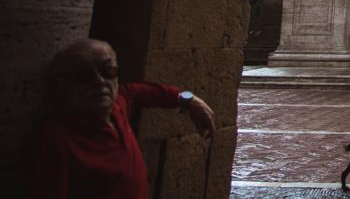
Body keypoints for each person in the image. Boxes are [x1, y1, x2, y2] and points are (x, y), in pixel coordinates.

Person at [29, 38, 215, 199]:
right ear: (63, 85)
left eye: (107, 71)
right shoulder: (57, 138)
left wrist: (189, 100)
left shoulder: (119, 103)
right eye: (83, 76)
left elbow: (148, 92)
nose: (100, 81)